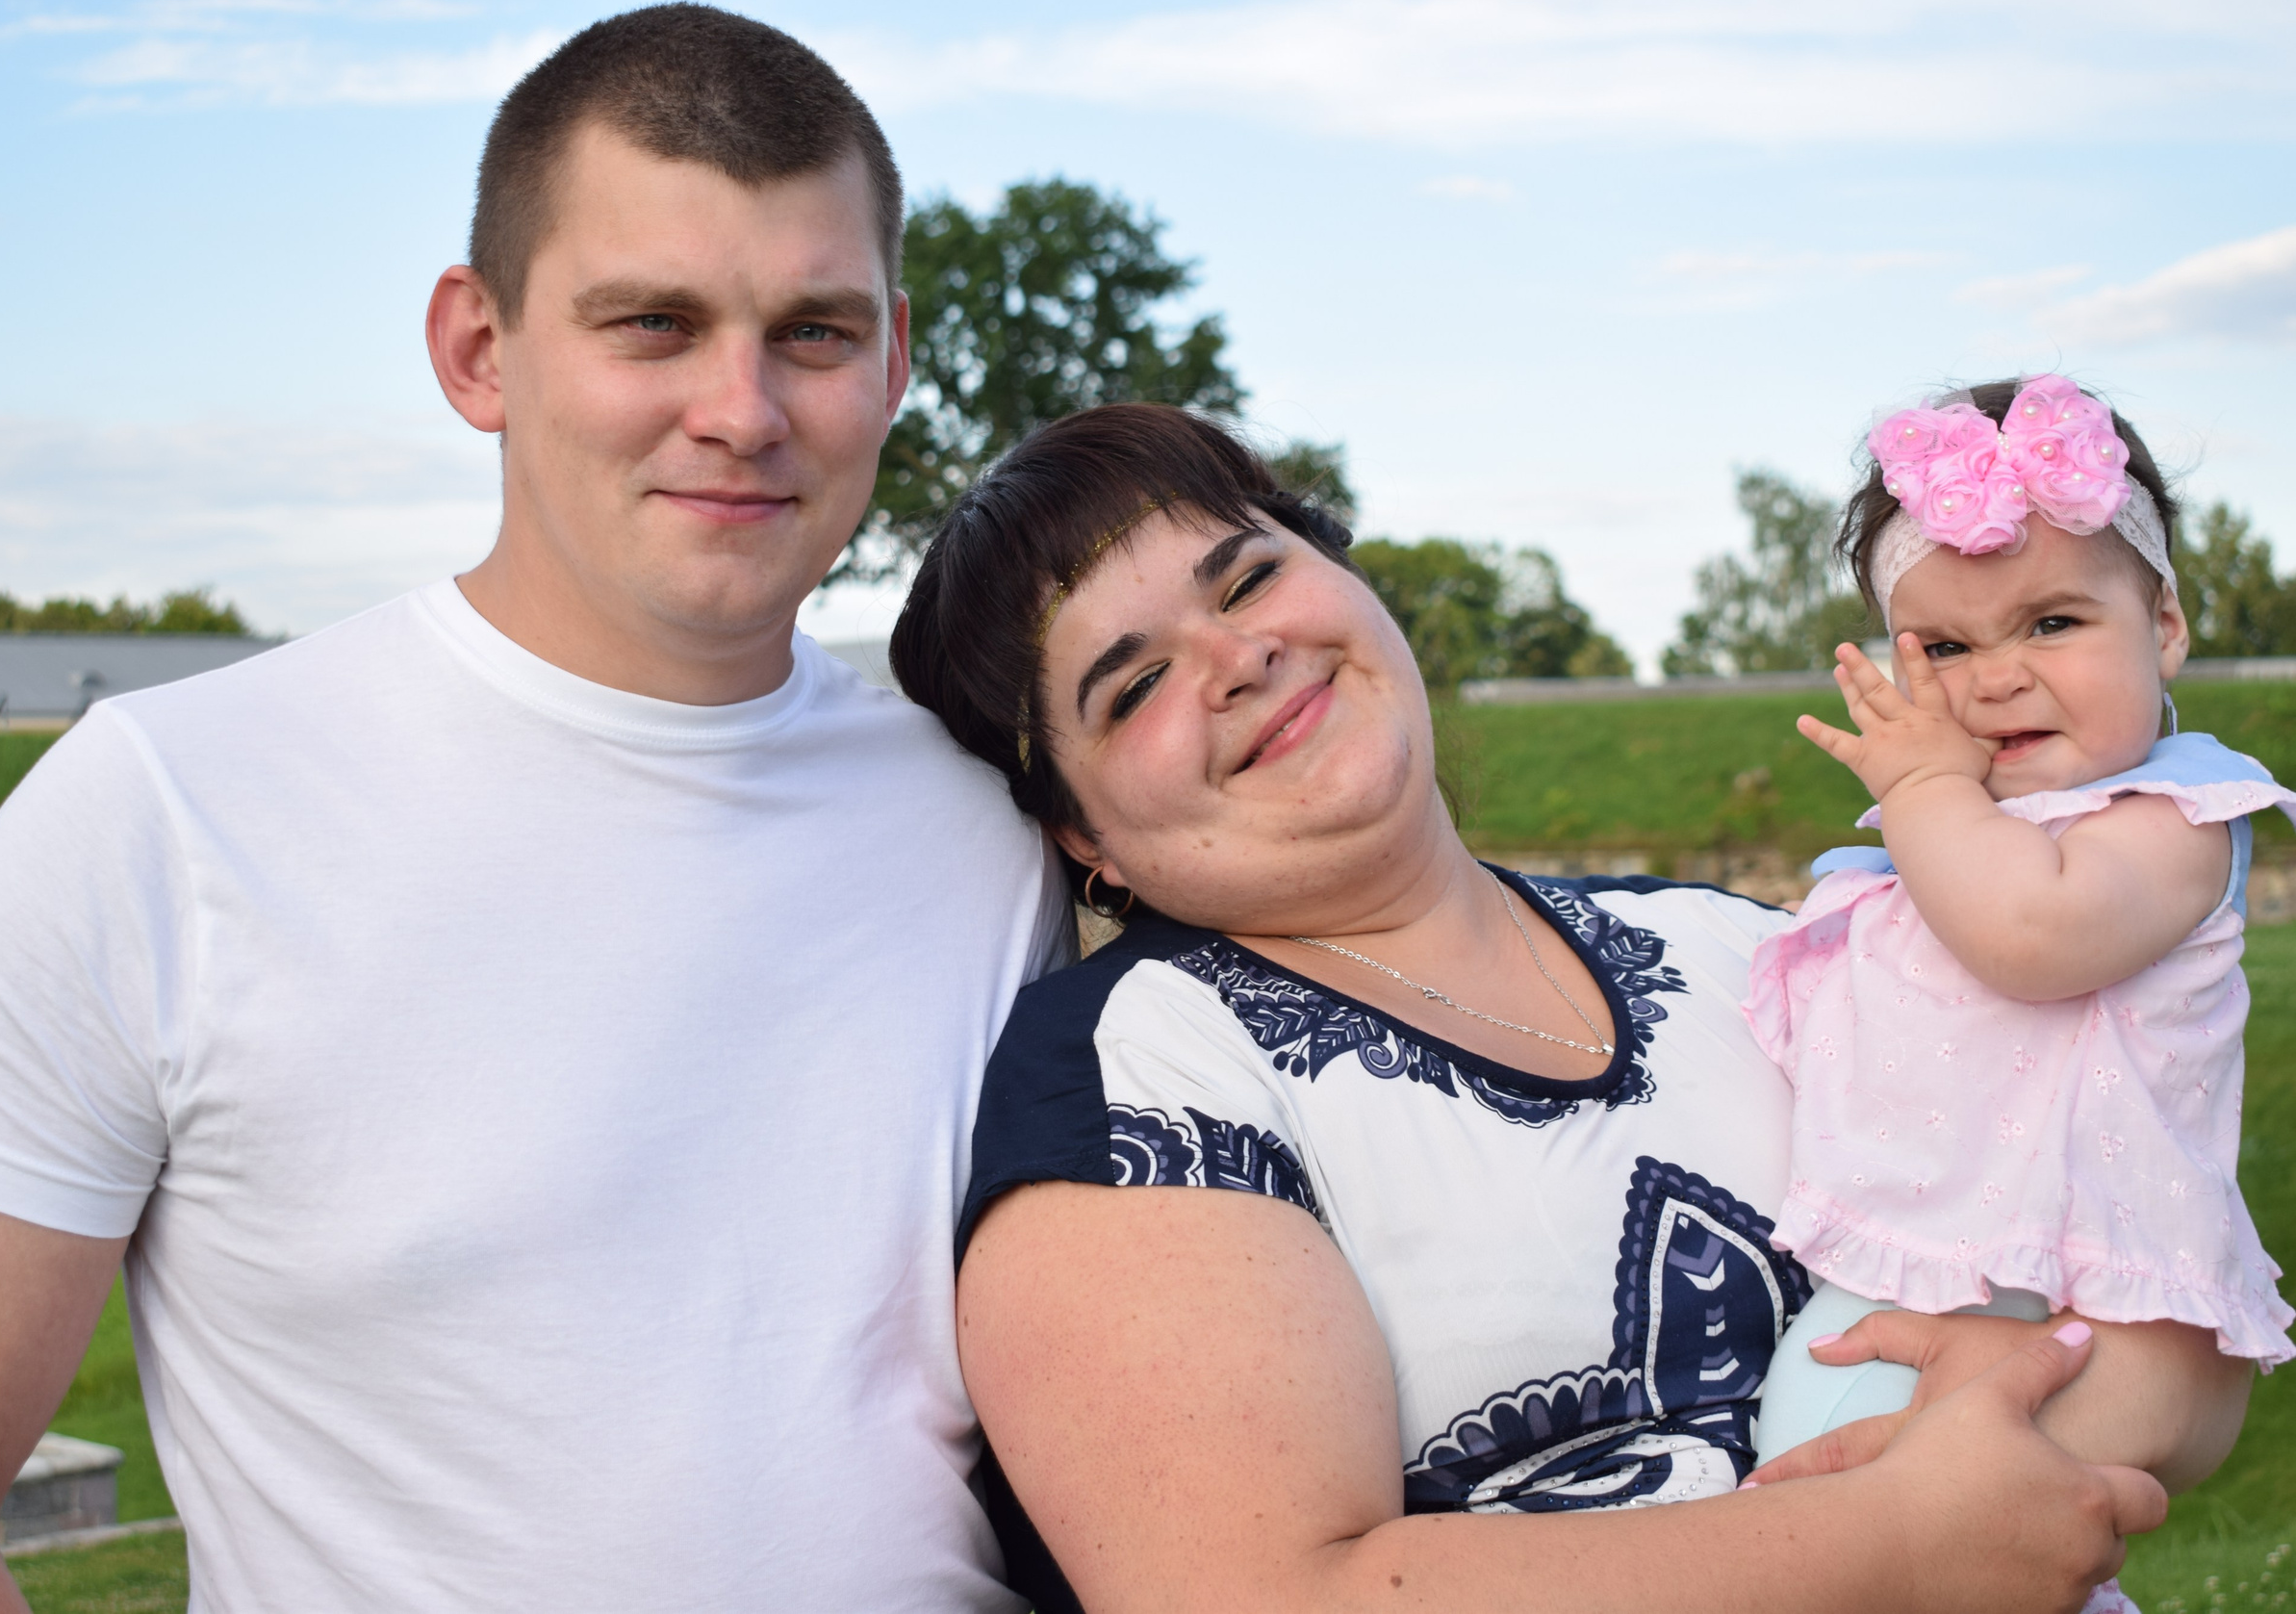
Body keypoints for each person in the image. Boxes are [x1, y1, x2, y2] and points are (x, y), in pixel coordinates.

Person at [0, 4, 1061, 1613]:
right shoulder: (166, 813)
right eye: (653, 324)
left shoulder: (995, 820)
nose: (744, 409)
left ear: (894, 357)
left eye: (814, 333)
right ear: (480, 350)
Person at [889, 401, 2252, 1614]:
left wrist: (2077, 1415)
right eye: (1132, 687)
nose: (1235, 658)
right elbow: (1247, 1589)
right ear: (1085, 834)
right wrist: (1882, 1540)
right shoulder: (1139, 1076)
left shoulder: (1753, 947)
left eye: (1248, 577)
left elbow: (2166, 1326)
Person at [1746, 376, 2289, 1497]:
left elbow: (2033, 932)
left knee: (1910, 1529)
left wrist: (1924, 789)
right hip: (1896, 1278)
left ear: (2167, 627)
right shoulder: (1927, 853)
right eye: (1941, 649)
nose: (1996, 677)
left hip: (2075, 1296)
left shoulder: (2174, 819)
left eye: (2052, 622)